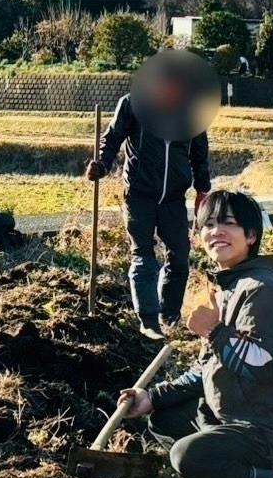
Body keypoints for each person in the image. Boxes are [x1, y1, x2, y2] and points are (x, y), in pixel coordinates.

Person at [118, 190, 273, 478]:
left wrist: (214, 330)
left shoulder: (262, 290)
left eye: (228, 223)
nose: (216, 232)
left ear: (251, 236)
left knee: (186, 455)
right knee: (163, 416)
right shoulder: (228, 287)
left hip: (271, 429)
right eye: (208, 225)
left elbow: (266, 365)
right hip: (239, 417)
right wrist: (152, 397)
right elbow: (208, 368)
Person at [86, 91, 211, 339]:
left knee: (179, 255)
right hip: (139, 194)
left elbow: (199, 153)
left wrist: (202, 189)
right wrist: (101, 164)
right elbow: (112, 139)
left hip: (173, 198)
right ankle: (149, 322)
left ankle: (170, 315)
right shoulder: (133, 103)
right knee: (143, 256)